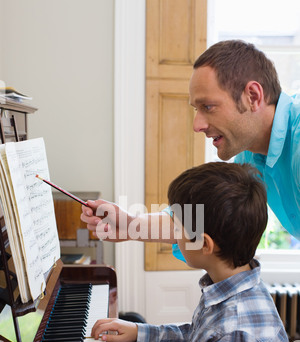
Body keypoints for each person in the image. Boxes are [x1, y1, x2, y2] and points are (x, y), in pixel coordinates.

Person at [90, 162, 292, 342]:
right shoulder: (233, 286)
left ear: (204, 244)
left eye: (177, 225)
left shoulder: (237, 333)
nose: (172, 230)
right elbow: (200, 341)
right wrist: (139, 332)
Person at [81, 40, 300, 255]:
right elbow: (204, 220)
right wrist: (130, 224)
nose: (197, 125)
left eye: (208, 106)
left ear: (252, 96)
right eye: (197, 109)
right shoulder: (249, 155)